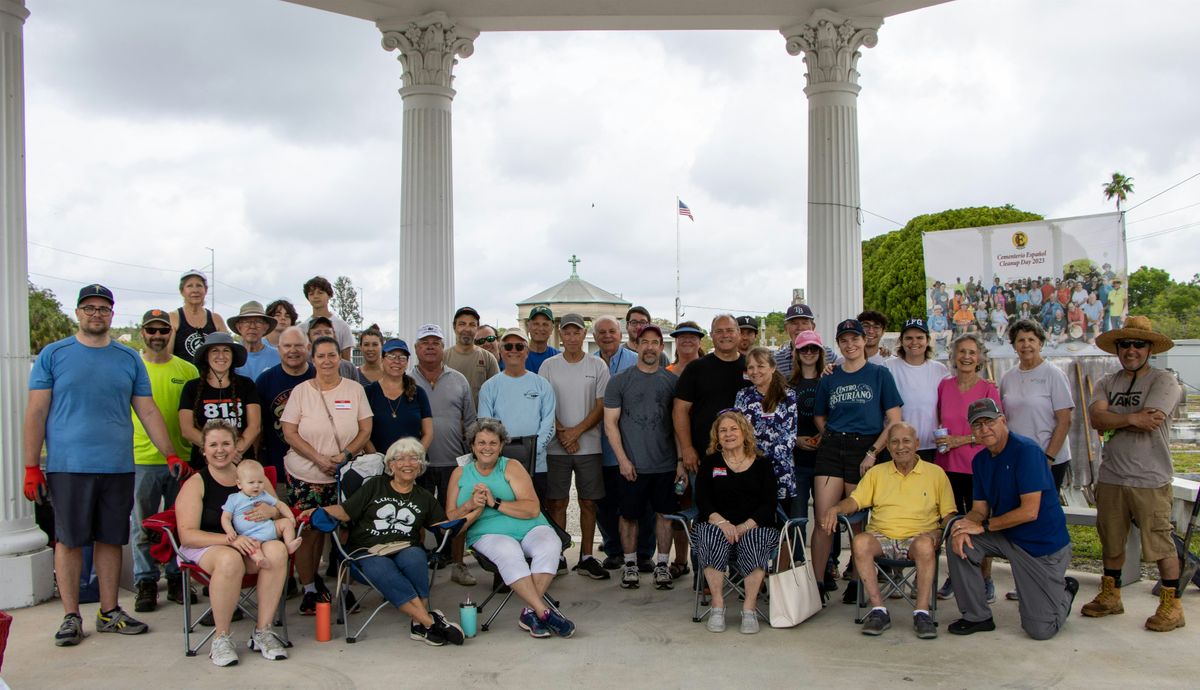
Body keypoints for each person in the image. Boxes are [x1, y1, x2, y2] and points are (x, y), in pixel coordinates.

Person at [23, 285, 182, 647]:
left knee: (112, 538)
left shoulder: (128, 359)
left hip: (118, 465)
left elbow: (147, 409)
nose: (97, 314)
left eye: (104, 309)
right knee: (69, 539)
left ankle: (109, 612)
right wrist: (31, 465)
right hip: (69, 465)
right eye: (89, 308)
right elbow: (36, 411)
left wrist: (170, 452)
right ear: (78, 313)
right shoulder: (54, 354)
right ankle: (71, 616)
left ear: (112, 314)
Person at [304, 438, 465, 646]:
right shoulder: (376, 485)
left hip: (404, 549)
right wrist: (320, 511)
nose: (407, 464)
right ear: (391, 465)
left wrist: (470, 507)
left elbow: (442, 526)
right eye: (401, 459)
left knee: (416, 555)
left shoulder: (424, 497)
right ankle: (428, 621)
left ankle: (421, 624)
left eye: (414, 458)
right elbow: (345, 511)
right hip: (366, 551)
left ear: (421, 465)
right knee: (381, 565)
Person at [1083, 316, 1185, 631]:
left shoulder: (1164, 381)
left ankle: (1172, 605)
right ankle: (1111, 596)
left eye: (1138, 344)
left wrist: (1114, 414)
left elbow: (1151, 420)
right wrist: (1131, 417)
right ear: (1117, 348)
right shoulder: (1105, 382)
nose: (1131, 350)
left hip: (1150, 478)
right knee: (1111, 541)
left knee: (1160, 544)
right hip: (1112, 476)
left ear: (1149, 348)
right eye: (1124, 344)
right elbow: (1097, 420)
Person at [947, 399, 1077, 640]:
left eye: (990, 422)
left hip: (1039, 545)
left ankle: (1065, 591)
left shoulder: (1026, 451)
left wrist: (983, 526)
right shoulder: (981, 461)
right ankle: (977, 616)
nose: (984, 429)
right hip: (1006, 534)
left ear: (1003, 421)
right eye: (977, 425)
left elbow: (1030, 512)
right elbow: (979, 510)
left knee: (1040, 630)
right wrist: (965, 526)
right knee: (959, 541)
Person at [820, 423, 956, 639]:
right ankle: (878, 610)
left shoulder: (936, 474)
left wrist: (940, 532)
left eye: (906, 441)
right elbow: (855, 501)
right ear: (888, 447)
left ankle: (922, 612)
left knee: (924, 545)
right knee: (861, 542)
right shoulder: (877, 473)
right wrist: (835, 508)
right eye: (894, 442)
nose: (900, 447)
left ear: (917, 444)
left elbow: (949, 514)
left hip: (918, 538)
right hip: (881, 535)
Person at [445, 419, 576, 639]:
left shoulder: (511, 466)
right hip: (488, 532)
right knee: (509, 553)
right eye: (481, 443)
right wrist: (470, 504)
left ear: (501, 445)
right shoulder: (460, 474)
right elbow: (451, 518)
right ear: (473, 446)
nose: (487, 448)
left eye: (493, 443)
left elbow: (533, 508)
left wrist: (494, 502)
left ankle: (531, 613)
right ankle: (542, 611)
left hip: (530, 526)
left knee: (550, 545)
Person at [174, 421, 290, 665]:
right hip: (207, 546)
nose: (220, 450)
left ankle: (263, 631)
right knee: (230, 559)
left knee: (278, 550)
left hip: (252, 544)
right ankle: (221, 638)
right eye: (213, 445)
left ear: (237, 446)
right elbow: (187, 535)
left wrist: (272, 513)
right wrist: (233, 541)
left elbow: (278, 509)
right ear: (203, 449)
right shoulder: (196, 483)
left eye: (226, 443)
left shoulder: (254, 476)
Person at [811, 319, 903, 604]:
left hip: (864, 447)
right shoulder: (830, 376)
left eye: (855, 339)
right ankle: (816, 584)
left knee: (856, 521)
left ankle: (856, 580)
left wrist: (873, 452)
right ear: (838, 344)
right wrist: (830, 436)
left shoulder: (880, 374)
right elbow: (819, 415)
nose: (850, 345)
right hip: (832, 445)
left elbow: (894, 420)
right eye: (844, 340)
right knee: (823, 518)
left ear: (865, 341)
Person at [281, 335, 372, 614]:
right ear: (312, 358)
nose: (327, 361)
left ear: (340, 357)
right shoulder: (301, 392)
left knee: (345, 533)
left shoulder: (355, 389)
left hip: (345, 475)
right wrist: (318, 458)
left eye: (332, 355)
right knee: (309, 534)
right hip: (306, 474)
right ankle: (310, 590)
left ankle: (344, 590)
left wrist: (345, 455)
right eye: (321, 356)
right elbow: (289, 432)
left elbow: (365, 428)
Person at [130, 309, 199, 613]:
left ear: (171, 333)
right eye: (151, 331)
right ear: (142, 333)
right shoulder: (133, 366)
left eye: (163, 331)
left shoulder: (187, 370)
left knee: (180, 523)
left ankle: (175, 578)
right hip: (140, 458)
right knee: (142, 525)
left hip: (181, 459)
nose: (157, 336)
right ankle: (145, 582)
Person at [603, 324, 681, 589]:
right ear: (635, 345)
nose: (649, 347)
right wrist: (623, 460)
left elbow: (681, 424)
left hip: (666, 464)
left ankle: (661, 565)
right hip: (632, 465)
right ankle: (630, 565)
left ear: (661, 347)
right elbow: (610, 424)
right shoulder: (620, 381)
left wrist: (681, 461)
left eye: (654, 342)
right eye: (644, 342)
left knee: (665, 515)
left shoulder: (672, 382)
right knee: (628, 515)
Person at [539, 313, 611, 580]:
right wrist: (562, 433)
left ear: (584, 335)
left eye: (576, 332)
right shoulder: (548, 365)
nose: (571, 337)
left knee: (588, 502)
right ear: (561, 335)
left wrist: (576, 432)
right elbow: (544, 405)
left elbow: (601, 405)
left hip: (589, 445)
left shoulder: (598, 366)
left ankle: (587, 556)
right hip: (556, 446)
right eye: (566, 333)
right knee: (557, 501)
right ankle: (557, 554)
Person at [694, 411, 779, 634]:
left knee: (756, 541)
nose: (728, 434)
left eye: (734, 429)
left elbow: (769, 505)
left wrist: (744, 526)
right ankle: (717, 606)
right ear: (717, 436)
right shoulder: (710, 463)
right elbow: (702, 501)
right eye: (723, 430)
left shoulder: (762, 464)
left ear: (744, 432)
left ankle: (749, 609)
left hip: (754, 526)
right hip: (716, 525)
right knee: (709, 537)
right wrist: (722, 523)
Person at [934, 333, 1002, 602]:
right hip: (947, 466)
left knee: (980, 523)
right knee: (952, 523)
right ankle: (956, 575)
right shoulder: (944, 386)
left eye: (972, 352)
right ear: (953, 356)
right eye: (961, 351)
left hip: (979, 467)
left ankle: (985, 580)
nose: (966, 356)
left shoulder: (988, 389)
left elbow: (994, 429)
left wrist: (959, 440)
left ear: (980, 358)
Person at [410, 324, 478, 586]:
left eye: (435, 342)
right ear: (416, 348)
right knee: (418, 515)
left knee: (458, 513)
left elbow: (470, 421)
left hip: (454, 461)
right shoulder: (407, 381)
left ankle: (458, 564)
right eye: (424, 342)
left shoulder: (458, 379)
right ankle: (418, 568)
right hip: (419, 464)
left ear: (443, 348)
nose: (430, 346)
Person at [592, 315, 652, 570]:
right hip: (600, 446)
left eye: (612, 331)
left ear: (621, 334)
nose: (607, 336)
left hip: (634, 446)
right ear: (594, 337)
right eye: (602, 332)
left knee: (642, 503)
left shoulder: (633, 360)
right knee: (605, 502)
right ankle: (614, 549)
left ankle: (644, 553)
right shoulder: (590, 363)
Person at [479, 329, 556, 503]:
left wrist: (531, 452)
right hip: (499, 465)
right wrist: (500, 453)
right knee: (502, 514)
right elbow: (485, 427)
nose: (513, 350)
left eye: (519, 346)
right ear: (501, 350)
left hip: (537, 465)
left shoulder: (542, 385)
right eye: (508, 346)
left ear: (527, 352)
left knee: (535, 515)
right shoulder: (489, 387)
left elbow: (549, 424)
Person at [999, 320, 1073, 493]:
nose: (1026, 345)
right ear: (1014, 346)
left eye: (1031, 340)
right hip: (1017, 458)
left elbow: (1065, 421)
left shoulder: (1054, 374)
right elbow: (1003, 418)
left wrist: (1048, 458)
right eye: (1021, 340)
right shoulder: (1007, 377)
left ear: (1040, 343)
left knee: (1043, 512)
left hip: (1047, 458)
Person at [674, 314, 751, 476]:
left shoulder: (751, 367)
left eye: (730, 330)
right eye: (719, 331)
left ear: (738, 333)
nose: (725, 335)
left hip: (746, 457)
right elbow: (679, 410)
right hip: (704, 457)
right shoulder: (696, 369)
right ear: (711, 335)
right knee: (703, 501)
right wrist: (687, 448)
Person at [179, 333, 262, 469]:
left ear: (233, 355)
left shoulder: (247, 385)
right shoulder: (191, 387)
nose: (221, 356)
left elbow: (255, 426)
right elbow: (187, 429)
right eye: (215, 351)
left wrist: (235, 450)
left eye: (226, 350)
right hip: (204, 463)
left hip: (241, 462)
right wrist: (216, 450)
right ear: (206, 356)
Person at [734, 347, 799, 519]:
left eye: (760, 366)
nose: (755, 371)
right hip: (749, 470)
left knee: (783, 530)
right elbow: (738, 432)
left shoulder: (788, 396)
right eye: (751, 367)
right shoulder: (743, 396)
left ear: (772, 367)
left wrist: (764, 462)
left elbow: (789, 437)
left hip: (780, 472)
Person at [254, 327, 315, 482]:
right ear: (279, 349)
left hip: (317, 469)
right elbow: (257, 427)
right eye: (287, 346)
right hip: (278, 470)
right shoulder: (265, 381)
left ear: (308, 348)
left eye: (298, 345)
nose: (292, 350)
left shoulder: (319, 377)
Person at [885, 319, 949, 462]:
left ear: (927, 340)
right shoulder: (888, 367)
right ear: (901, 341)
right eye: (909, 338)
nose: (914, 342)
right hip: (897, 448)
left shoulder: (940, 369)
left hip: (930, 447)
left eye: (919, 337)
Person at [220, 460, 303, 567]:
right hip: (249, 535)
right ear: (239, 484)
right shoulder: (234, 499)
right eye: (251, 482)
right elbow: (226, 517)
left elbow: (280, 504)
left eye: (260, 482)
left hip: (269, 527)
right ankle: (260, 559)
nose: (256, 486)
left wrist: (290, 516)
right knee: (251, 547)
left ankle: (289, 545)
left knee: (286, 523)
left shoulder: (263, 494)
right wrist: (230, 531)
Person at [788, 330, 826, 543]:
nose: (809, 352)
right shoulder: (787, 385)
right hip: (797, 461)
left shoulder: (829, 380)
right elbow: (781, 423)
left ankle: (830, 563)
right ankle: (799, 561)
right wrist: (796, 439)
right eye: (804, 348)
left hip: (825, 460)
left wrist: (824, 434)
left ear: (820, 352)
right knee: (798, 517)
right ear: (797, 352)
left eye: (814, 348)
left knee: (827, 518)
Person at [364, 339, 433, 453]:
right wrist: (377, 460)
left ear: (407, 362)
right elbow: (363, 432)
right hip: (377, 465)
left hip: (412, 466)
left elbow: (428, 433)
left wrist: (414, 458)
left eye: (402, 358)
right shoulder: (368, 392)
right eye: (391, 356)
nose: (397, 361)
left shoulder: (418, 393)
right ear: (382, 359)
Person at [168, 269, 228, 364]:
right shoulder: (173, 317)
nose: (195, 290)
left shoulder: (216, 319)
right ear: (182, 291)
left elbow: (227, 353)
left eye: (199, 286)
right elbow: (167, 355)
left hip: (210, 376)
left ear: (206, 290)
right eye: (189, 286)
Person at [443, 306, 499, 405]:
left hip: (480, 419)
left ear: (477, 328)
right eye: (462, 324)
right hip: (451, 419)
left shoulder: (488, 359)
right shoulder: (443, 358)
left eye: (472, 324)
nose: (467, 329)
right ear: (454, 327)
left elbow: (497, 394)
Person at [300, 276, 353, 359]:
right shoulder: (301, 328)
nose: (316, 296)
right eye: (311, 294)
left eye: (320, 293)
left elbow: (346, 360)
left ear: (329, 295)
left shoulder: (342, 326)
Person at [228, 301, 280, 382]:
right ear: (239, 327)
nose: (252, 326)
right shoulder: (229, 358)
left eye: (258, 322)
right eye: (247, 321)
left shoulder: (279, 356)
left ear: (266, 327)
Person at [308, 316, 362, 383]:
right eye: (317, 333)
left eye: (327, 332)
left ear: (334, 335)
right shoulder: (303, 367)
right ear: (309, 337)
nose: (323, 335)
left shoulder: (349, 368)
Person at [523, 306, 561, 374]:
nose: (540, 328)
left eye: (545, 324)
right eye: (536, 324)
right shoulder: (516, 356)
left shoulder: (560, 359)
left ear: (552, 328)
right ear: (528, 326)